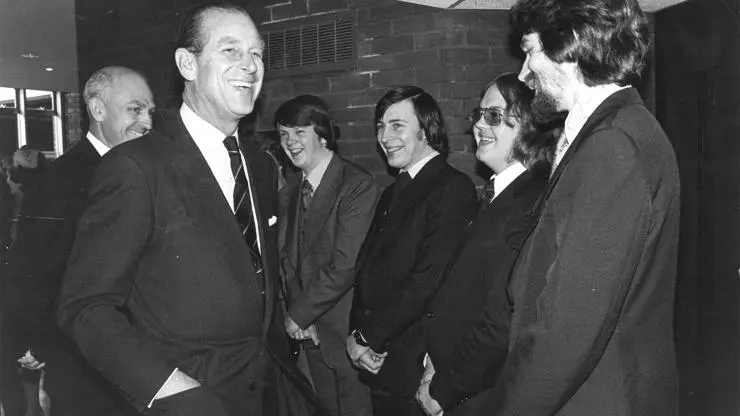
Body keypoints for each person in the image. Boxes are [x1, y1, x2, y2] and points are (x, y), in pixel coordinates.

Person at [56, 4, 321, 416]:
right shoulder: (135, 166)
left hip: (273, 390)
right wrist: (172, 391)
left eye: (257, 53)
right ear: (187, 63)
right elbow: (86, 309)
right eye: (231, 51)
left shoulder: (261, 165)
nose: (250, 66)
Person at [476, 0, 681, 414]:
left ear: (567, 46)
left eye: (530, 51)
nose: (524, 72)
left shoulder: (612, 146)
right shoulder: (617, 130)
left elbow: (569, 327)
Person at [2, 66, 153, 416]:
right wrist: (34, 341)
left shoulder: (147, 170)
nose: (146, 121)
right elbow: (33, 268)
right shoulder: (60, 180)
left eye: (149, 111)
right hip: (80, 356)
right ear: (98, 110)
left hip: (139, 351)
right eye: (135, 109)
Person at [415, 72, 558, 416]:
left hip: (480, 393)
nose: (479, 124)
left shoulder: (532, 199)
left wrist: (444, 389)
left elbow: (502, 319)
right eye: (478, 115)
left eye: (493, 115)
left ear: (530, 122)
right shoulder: (497, 193)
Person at [347, 86, 478, 416]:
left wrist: (367, 336)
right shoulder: (394, 192)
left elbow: (427, 278)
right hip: (383, 359)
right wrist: (360, 339)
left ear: (427, 129)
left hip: (416, 364)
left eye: (396, 125)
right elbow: (369, 271)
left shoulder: (451, 187)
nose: (384, 136)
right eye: (380, 126)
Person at [276, 95, 378, 416]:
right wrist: (298, 316)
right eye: (283, 134)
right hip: (308, 334)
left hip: (344, 334)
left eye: (298, 132)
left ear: (321, 134)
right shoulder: (289, 191)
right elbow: (286, 258)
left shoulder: (356, 185)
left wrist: (299, 314)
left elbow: (344, 266)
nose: (289, 142)